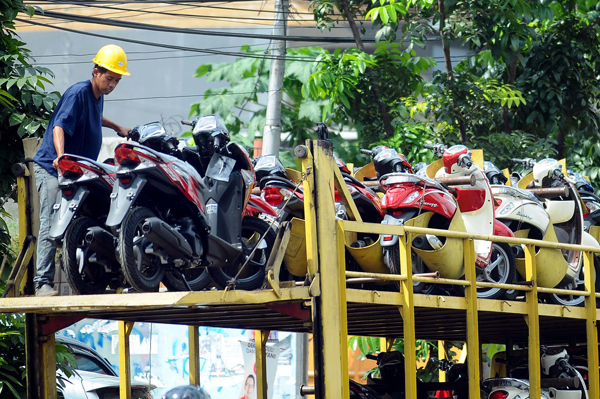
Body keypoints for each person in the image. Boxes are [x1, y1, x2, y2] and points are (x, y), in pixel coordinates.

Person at [32, 44, 131, 297]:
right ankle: (42, 282)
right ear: (95, 71)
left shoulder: (97, 96)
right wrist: (61, 156)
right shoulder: (78, 92)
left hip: (77, 171)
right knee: (51, 221)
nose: (112, 85)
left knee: (79, 220)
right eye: (109, 79)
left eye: (117, 81)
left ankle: (89, 278)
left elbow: (94, 117)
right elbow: (59, 126)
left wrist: (117, 127)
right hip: (53, 168)